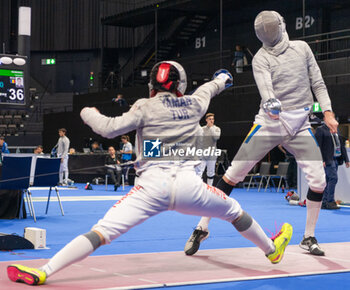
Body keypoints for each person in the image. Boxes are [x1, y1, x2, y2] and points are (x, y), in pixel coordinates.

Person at [7, 61, 292, 286]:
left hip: (150, 189)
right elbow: (213, 85)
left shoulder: (144, 106)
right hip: (190, 188)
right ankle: (271, 250)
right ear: (180, 84)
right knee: (235, 212)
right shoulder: (195, 103)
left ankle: (44, 271)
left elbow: (107, 127)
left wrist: (85, 111)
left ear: (152, 85)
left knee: (101, 232)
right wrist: (223, 78)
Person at [185, 10, 338, 257]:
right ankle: (202, 227)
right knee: (233, 174)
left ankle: (308, 237)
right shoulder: (260, 59)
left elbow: (317, 82)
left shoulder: (302, 48)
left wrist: (328, 112)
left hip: (299, 125)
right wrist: (272, 104)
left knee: (319, 181)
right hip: (269, 124)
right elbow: (267, 91)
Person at [315, 124, 350, 209]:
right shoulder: (321, 129)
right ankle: (330, 201)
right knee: (333, 178)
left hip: (336, 159)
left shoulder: (336, 129)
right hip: (327, 159)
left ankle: (324, 202)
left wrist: (346, 159)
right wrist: (321, 159)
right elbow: (317, 146)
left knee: (328, 179)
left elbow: (341, 145)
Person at [198, 113, 221, 186]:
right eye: (210, 119)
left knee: (211, 172)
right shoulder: (202, 129)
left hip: (212, 154)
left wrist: (211, 128)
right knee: (199, 172)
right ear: (206, 120)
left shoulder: (217, 129)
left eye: (212, 119)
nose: (211, 121)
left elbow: (216, 138)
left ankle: (209, 188)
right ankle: (199, 187)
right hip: (203, 153)